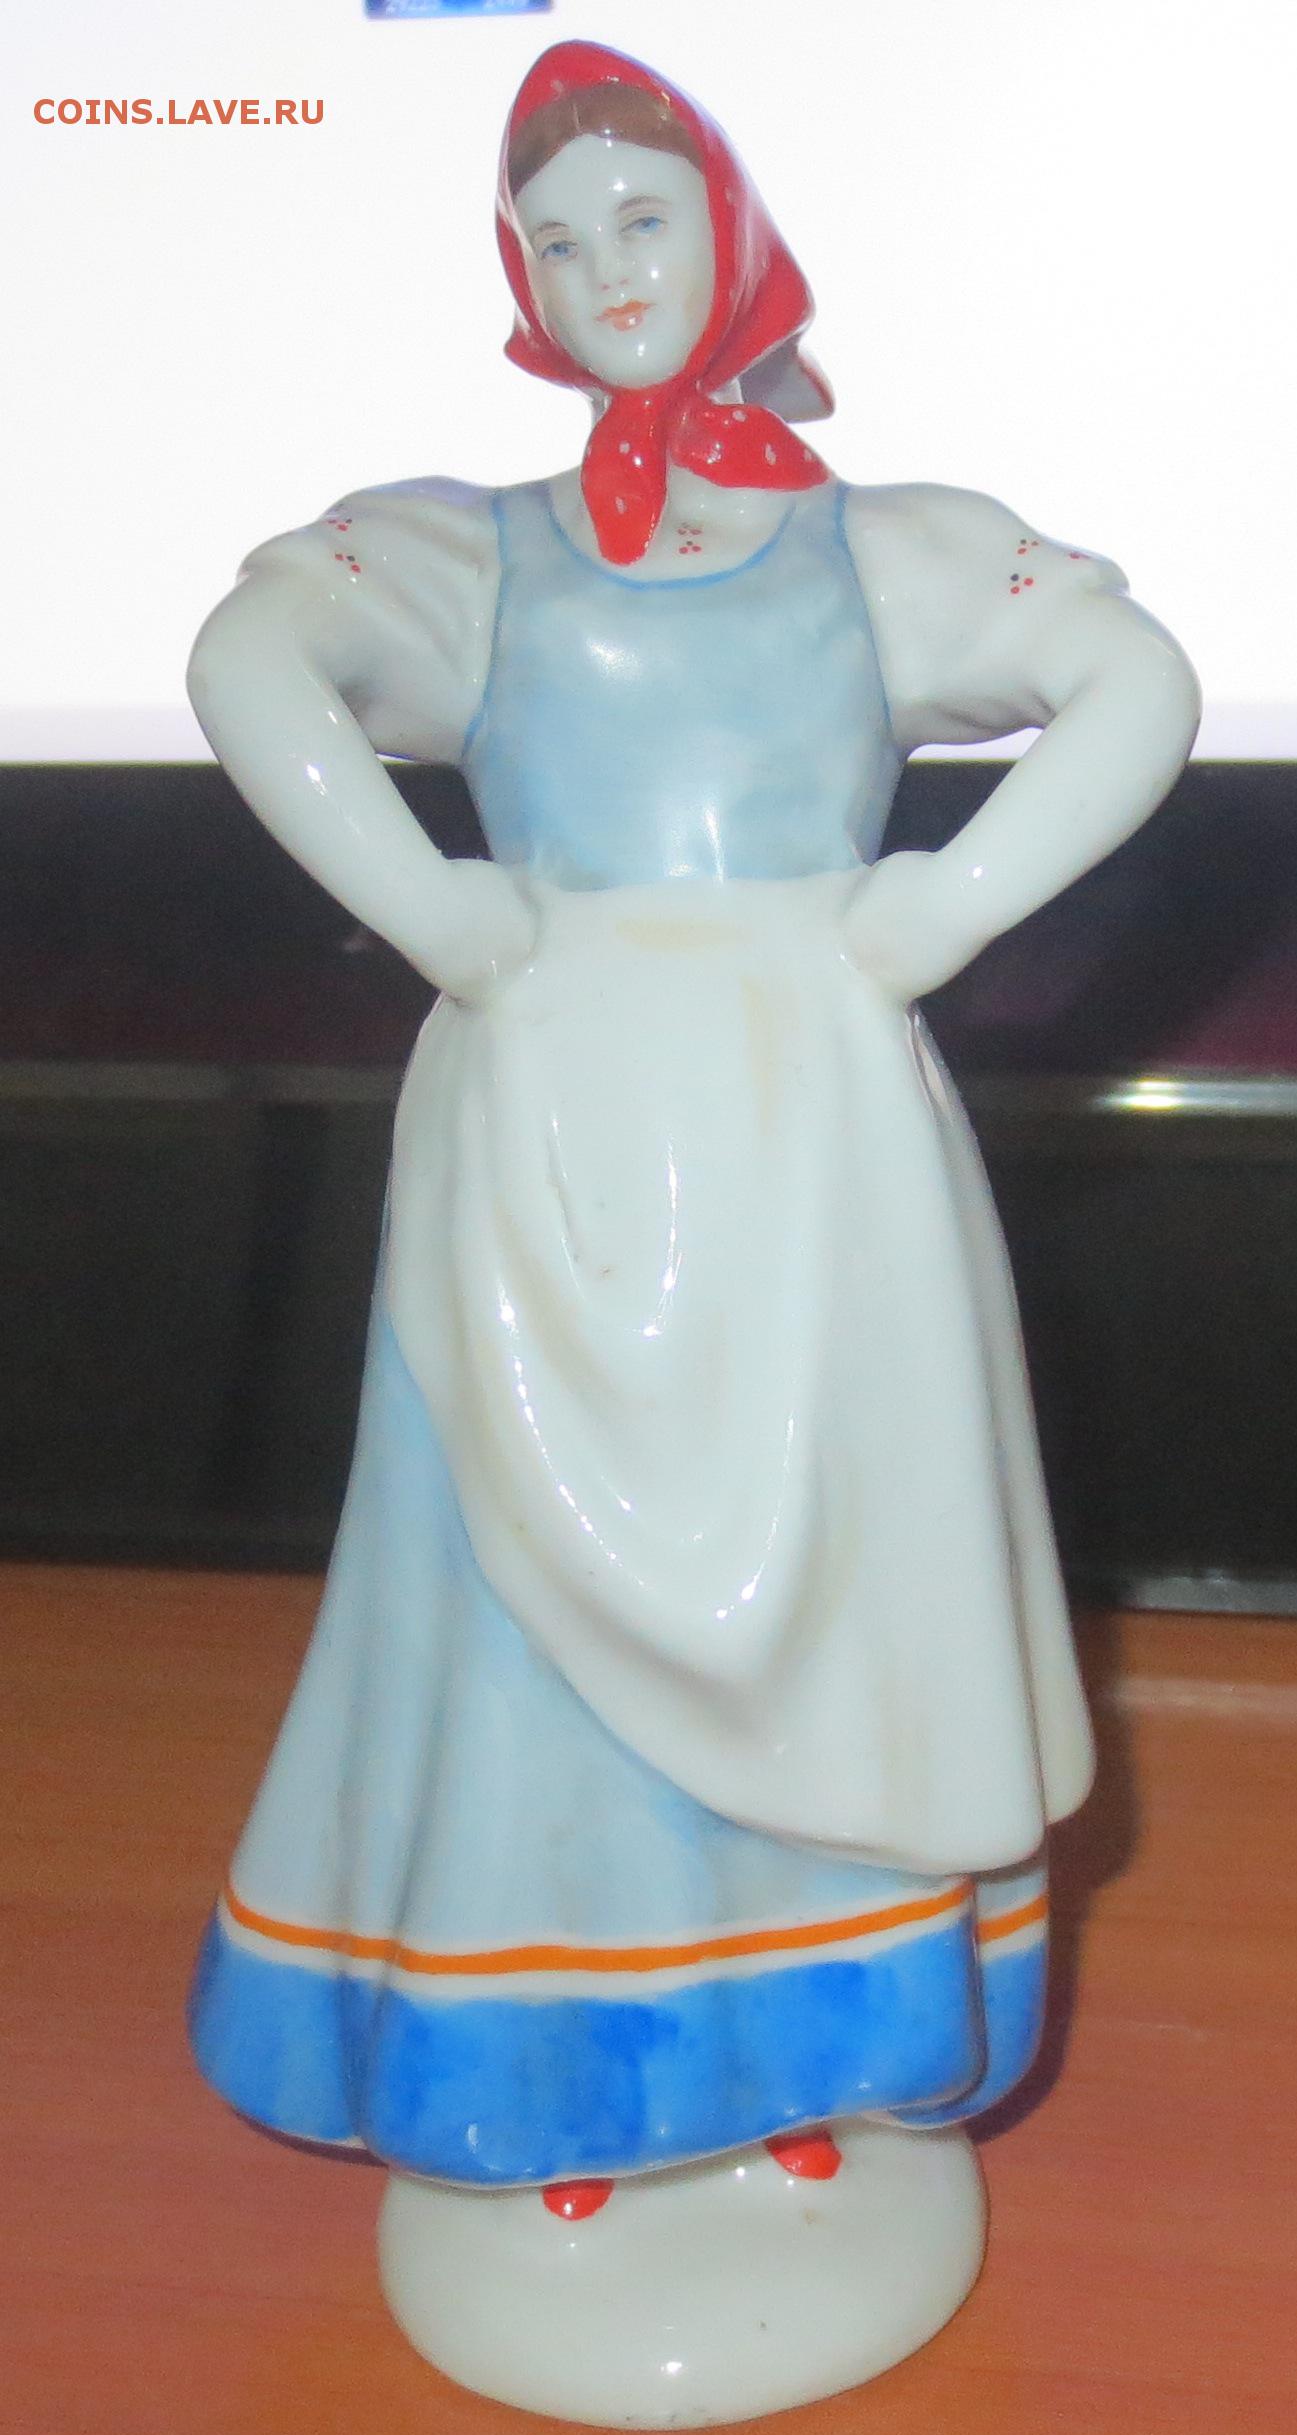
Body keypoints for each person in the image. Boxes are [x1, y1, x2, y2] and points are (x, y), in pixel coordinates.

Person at [187, 41, 1199, 2222]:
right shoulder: (480, 554)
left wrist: (941, 905)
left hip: (811, 1142)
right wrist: (436, 909)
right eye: (556, 242)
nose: (604, 269)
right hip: (549, 1133)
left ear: (731, 235)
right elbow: (250, 657)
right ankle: (553, 2072)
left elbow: (1135, 685)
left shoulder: (883, 553)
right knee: (522, 1585)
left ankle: (808, 2044)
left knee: (839, 1572)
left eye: (641, 216)